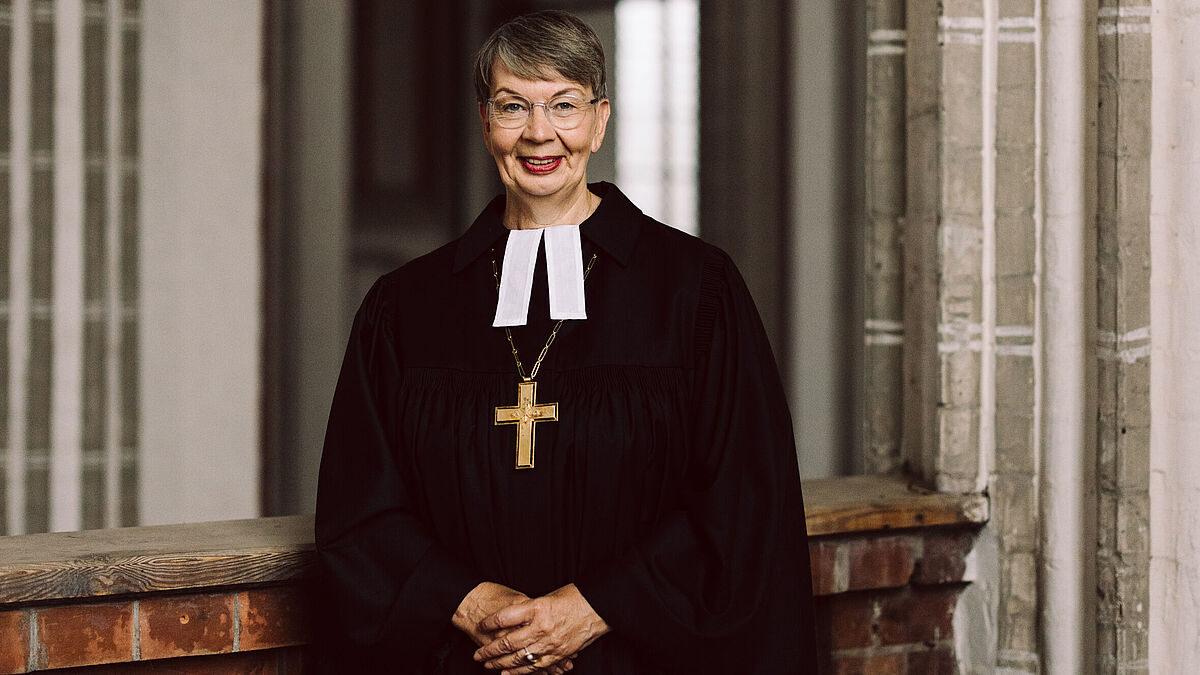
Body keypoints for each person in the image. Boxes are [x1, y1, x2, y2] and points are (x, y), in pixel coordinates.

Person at [315, 10, 818, 674]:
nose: (538, 132)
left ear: (600, 121)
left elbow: (744, 502)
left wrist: (598, 605)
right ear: (484, 121)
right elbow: (358, 510)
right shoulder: (406, 307)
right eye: (512, 106)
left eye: (564, 104)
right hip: (467, 662)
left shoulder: (694, 291)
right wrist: (468, 601)